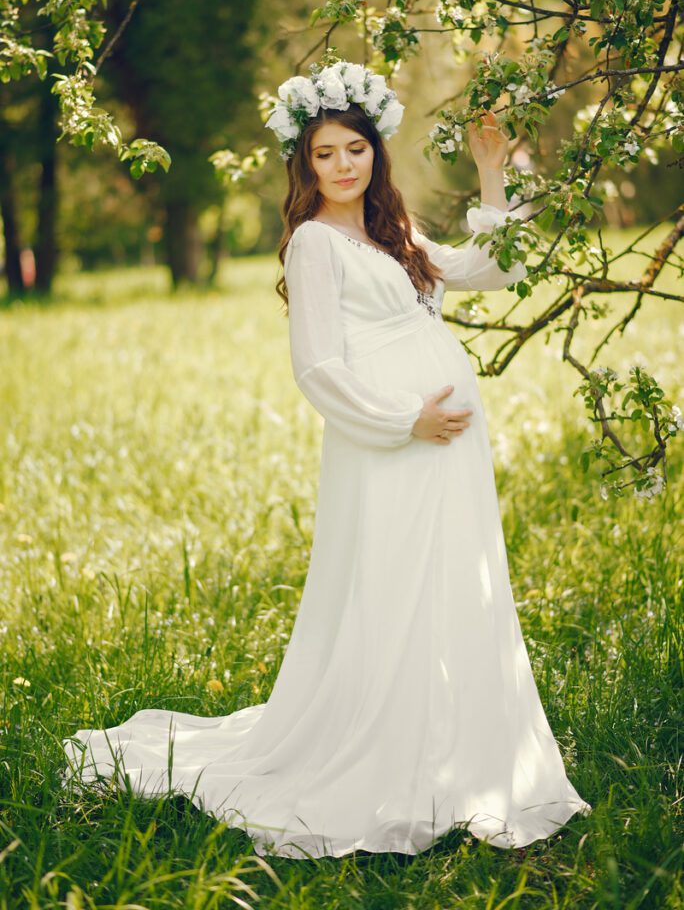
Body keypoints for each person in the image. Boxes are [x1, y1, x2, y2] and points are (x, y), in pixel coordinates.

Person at [62, 61, 591, 859]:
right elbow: (317, 367)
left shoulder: (392, 233)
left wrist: (491, 182)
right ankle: (380, 747)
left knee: (449, 582)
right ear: (304, 167)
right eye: (325, 155)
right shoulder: (314, 243)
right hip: (392, 446)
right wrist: (401, 421)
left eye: (355, 149)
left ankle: (451, 745)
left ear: (375, 152)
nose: (344, 166)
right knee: (389, 585)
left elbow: (496, 270)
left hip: (446, 452)